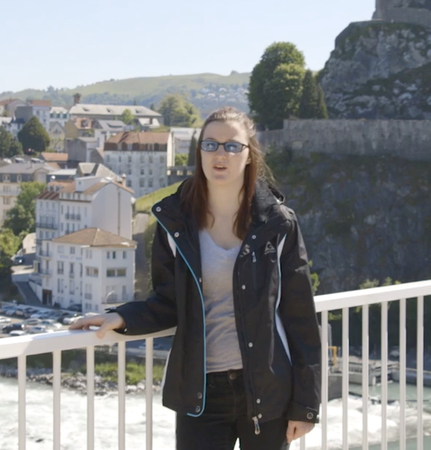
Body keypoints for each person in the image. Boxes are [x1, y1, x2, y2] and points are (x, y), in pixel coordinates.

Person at [70, 107, 321, 450]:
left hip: (266, 391)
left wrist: (306, 405)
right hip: (201, 394)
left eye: (232, 146)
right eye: (210, 145)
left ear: (249, 155)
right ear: (198, 151)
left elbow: (300, 317)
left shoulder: (279, 224)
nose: (221, 154)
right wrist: (122, 317)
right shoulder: (175, 222)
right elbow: (169, 301)